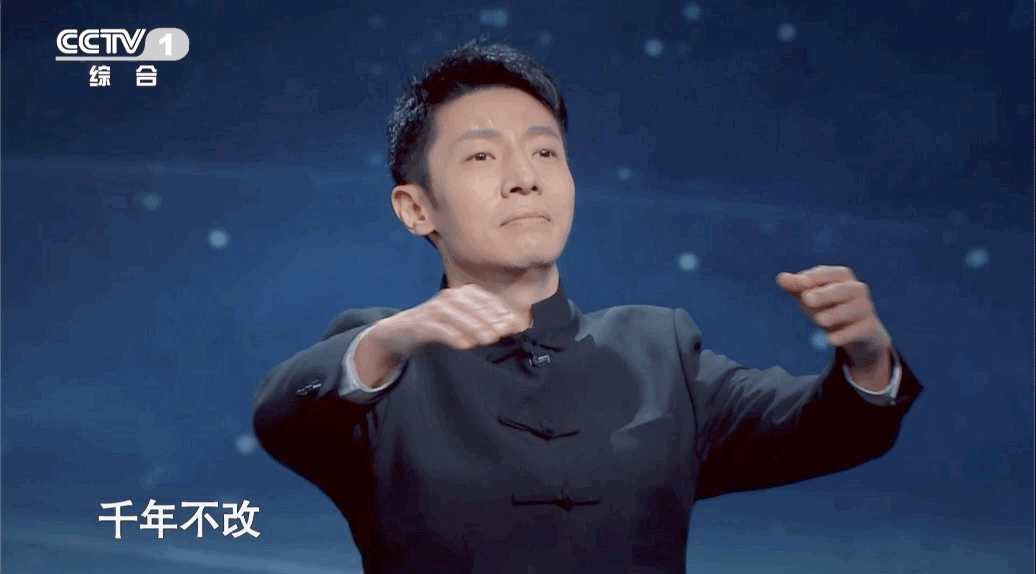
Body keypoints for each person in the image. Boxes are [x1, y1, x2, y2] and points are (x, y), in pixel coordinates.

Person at [251, 39, 924, 574]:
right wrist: (388, 343)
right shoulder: (382, 362)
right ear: (416, 207)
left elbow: (825, 431)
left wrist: (866, 358)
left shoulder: (659, 351)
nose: (525, 178)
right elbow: (281, 417)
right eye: (481, 156)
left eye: (545, 150)